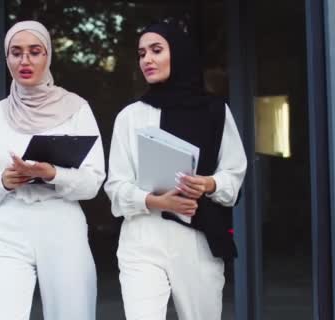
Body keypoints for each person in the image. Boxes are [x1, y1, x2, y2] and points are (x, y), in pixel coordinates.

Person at [104, 21, 247, 320]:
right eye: (142, 53)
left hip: (196, 239)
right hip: (142, 236)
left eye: (156, 50)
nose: (147, 60)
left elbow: (234, 173)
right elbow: (116, 187)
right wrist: (157, 201)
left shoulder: (215, 111)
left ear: (179, 54)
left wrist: (207, 184)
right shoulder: (130, 117)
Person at [0, 20, 105, 320]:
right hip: (11, 224)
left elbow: (94, 180)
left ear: (48, 55)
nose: (25, 60)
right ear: (6, 57)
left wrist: (53, 174)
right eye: (16, 52)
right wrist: (5, 180)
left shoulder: (76, 107)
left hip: (61, 222)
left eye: (34, 51)